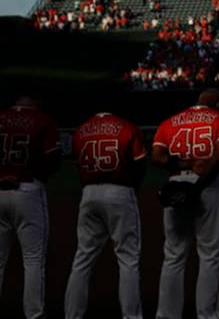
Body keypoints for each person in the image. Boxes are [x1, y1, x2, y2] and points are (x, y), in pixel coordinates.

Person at [151, 88, 219, 319]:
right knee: (209, 255)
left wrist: (181, 162)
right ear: (216, 103)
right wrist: (200, 177)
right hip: (206, 186)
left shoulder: (171, 121)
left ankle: (167, 315)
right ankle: (207, 315)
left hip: (176, 183)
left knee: (174, 255)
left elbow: (156, 157)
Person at [64, 101, 148, 319]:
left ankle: (72, 315)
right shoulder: (126, 126)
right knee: (128, 258)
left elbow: (77, 163)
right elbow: (140, 165)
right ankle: (132, 316)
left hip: (89, 193)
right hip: (119, 191)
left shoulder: (82, 129)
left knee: (82, 258)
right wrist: (132, 188)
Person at [0, 93, 60, 319]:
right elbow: (52, 160)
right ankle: (34, 314)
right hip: (27, 189)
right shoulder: (42, 119)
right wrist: (31, 176)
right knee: (33, 259)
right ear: (33, 99)